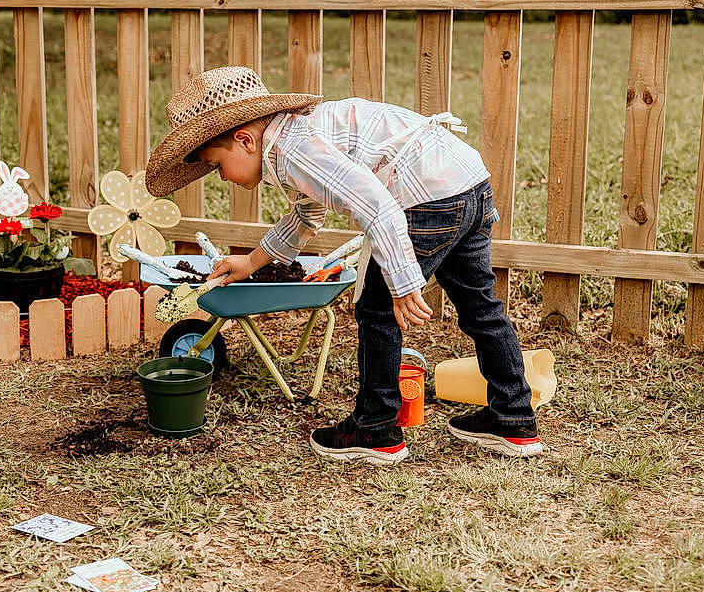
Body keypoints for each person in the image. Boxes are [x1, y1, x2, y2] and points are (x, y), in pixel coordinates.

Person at [145, 66, 543, 462]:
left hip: (426, 196)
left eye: (217, 164)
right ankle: (513, 419)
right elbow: (307, 215)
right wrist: (251, 261)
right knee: (480, 306)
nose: (221, 177)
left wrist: (403, 283)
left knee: (377, 310)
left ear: (245, 140)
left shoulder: (296, 150)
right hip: (467, 182)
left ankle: (376, 429)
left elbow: (379, 208)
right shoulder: (294, 138)